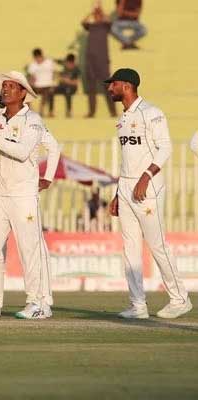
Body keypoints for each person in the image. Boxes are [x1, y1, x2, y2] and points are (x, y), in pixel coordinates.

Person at [106, 68, 192, 319]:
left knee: (157, 245)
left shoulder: (151, 113)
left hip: (148, 188)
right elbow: (127, 159)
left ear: (127, 85)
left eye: (114, 84)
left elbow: (165, 148)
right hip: (126, 188)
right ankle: (137, 305)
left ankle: (180, 299)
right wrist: (117, 193)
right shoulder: (123, 119)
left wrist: (146, 176)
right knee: (130, 247)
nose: (110, 89)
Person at [0, 71, 56, 320]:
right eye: (4, 86)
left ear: (23, 93)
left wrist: (48, 176)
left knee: (29, 248)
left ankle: (39, 302)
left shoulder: (32, 120)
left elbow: (23, 151)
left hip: (23, 193)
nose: (6, 90)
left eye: (12, 86)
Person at [82, 5, 117, 118]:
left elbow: (109, 20)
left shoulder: (105, 26)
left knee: (108, 87)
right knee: (91, 88)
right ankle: (91, 112)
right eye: (96, 15)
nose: (97, 17)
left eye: (98, 15)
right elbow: (83, 22)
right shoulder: (91, 26)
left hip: (102, 61)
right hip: (90, 61)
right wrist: (92, 12)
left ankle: (113, 112)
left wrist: (101, 11)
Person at [26, 48, 56, 117]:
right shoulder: (33, 65)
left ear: (41, 56)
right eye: (36, 58)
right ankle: (29, 110)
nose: (37, 60)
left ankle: (44, 111)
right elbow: (32, 77)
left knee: (47, 92)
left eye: (39, 58)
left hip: (48, 85)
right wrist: (30, 83)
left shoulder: (49, 63)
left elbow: (54, 74)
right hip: (37, 86)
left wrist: (53, 84)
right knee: (25, 92)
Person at [52, 54, 82, 118]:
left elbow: (76, 83)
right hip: (62, 86)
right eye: (66, 63)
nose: (67, 65)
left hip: (72, 88)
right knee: (51, 91)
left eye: (69, 64)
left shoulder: (76, 70)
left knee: (68, 92)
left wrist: (67, 81)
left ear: (73, 63)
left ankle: (69, 111)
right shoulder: (63, 64)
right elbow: (55, 61)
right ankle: (50, 111)